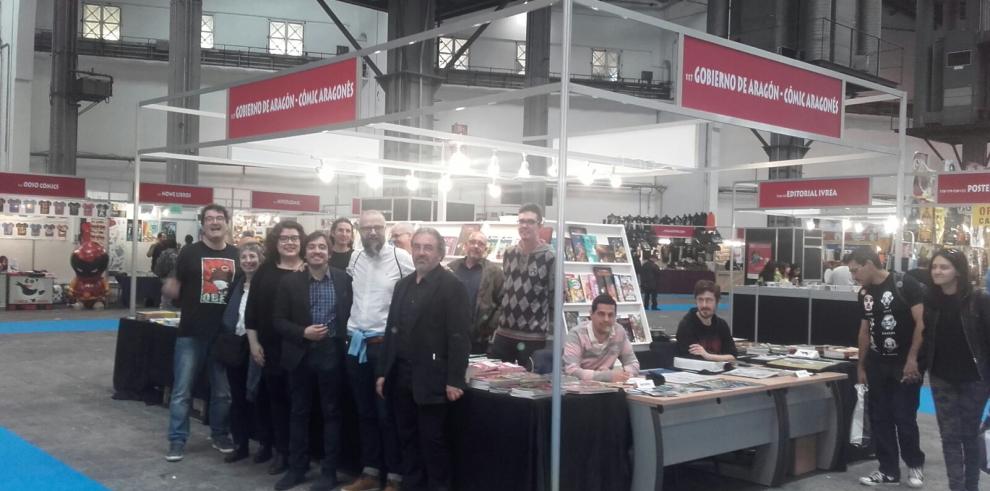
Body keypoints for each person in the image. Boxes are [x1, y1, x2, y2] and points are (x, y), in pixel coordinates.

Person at [376, 227, 471, 491]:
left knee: (433, 442)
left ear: (440, 252)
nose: (421, 252)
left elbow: (459, 337)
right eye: (416, 246)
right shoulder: (402, 285)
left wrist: (455, 379)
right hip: (401, 376)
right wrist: (384, 372)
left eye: (428, 247)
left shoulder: (453, 287)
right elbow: (391, 331)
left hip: (433, 378)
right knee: (406, 438)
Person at [272, 231, 353, 491]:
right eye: (312, 247)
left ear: (330, 253)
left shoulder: (343, 280)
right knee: (298, 412)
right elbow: (278, 321)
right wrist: (302, 332)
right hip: (300, 353)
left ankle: (329, 472)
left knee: (331, 413)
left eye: (322, 247)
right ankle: (297, 468)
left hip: (332, 353)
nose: (317, 251)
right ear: (304, 253)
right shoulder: (290, 283)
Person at [343, 210, 415, 491]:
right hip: (355, 345)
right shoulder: (355, 258)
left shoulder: (401, 258)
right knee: (364, 413)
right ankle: (370, 472)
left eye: (377, 227)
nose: (372, 232)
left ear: (385, 229)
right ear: (359, 230)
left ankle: (395, 477)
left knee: (387, 415)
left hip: (385, 348)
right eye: (366, 228)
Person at [162, 204, 239, 462]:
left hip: (223, 336)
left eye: (219, 218)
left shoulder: (238, 255)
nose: (214, 222)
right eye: (209, 219)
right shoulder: (189, 253)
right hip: (191, 333)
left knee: (222, 393)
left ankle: (219, 434)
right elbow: (175, 284)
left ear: (227, 223)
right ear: (202, 224)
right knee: (182, 391)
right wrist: (170, 289)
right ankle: (176, 439)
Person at [850, 249, 926, 487]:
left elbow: (922, 324)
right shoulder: (864, 293)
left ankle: (914, 465)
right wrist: (861, 366)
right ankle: (888, 470)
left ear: (870, 264)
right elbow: (864, 330)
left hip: (905, 364)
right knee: (880, 417)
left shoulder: (905, 284)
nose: (854, 276)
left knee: (904, 416)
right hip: (877, 364)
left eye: (856, 270)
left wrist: (913, 359)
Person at [923, 249, 990, 491]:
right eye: (934, 267)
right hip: (942, 377)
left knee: (969, 436)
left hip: (975, 379)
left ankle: (971, 486)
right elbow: (927, 337)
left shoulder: (979, 299)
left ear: (958, 272)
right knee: (949, 437)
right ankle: (956, 487)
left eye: (944, 267)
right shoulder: (931, 301)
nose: (937, 272)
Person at [246, 221, 307, 475]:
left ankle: (299, 454)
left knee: (300, 405)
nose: (290, 242)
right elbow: (252, 311)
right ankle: (279, 450)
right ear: (276, 242)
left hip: (301, 348)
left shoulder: (309, 270)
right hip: (270, 347)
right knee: (276, 401)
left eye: (294, 238)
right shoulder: (264, 272)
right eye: (284, 238)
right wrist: (253, 342)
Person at [490, 203, 556, 368]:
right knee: (496, 382)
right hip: (504, 332)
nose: (525, 225)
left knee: (528, 387)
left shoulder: (550, 256)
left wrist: (551, 336)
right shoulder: (509, 253)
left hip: (534, 336)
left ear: (540, 225)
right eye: (521, 221)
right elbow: (506, 290)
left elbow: (555, 298)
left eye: (530, 222)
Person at [220, 242, 264, 463]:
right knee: (237, 398)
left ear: (260, 258)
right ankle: (241, 444)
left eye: (253, 256)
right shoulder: (236, 285)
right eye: (244, 257)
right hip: (236, 345)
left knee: (259, 397)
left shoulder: (267, 286)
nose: (248, 260)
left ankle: (265, 446)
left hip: (258, 346)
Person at [447, 231, 505, 354]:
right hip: (451, 333)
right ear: (466, 245)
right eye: (472, 242)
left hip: (479, 336)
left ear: (485, 249)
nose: (476, 246)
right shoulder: (451, 268)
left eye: (480, 244)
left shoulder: (495, 272)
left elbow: (503, 302)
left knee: (475, 371)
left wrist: (489, 327)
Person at [563, 294, 640, 382]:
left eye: (610, 315)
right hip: (577, 391)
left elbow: (633, 364)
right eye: (601, 314)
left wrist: (623, 374)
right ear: (591, 314)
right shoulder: (576, 334)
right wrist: (606, 376)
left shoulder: (619, 331)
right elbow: (571, 371)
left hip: (607, 389)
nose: (606, 319)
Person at [675, 280, 736, 361]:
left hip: (720, 370)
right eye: (700, 300)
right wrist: (721, 358)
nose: (704, 305)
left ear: (717, 302)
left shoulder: (721, 325)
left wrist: (707, 355)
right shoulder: (686, 326)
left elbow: (733, 356)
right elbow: (694, 360)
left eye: (709, 300)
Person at [153, 237, 180, 308]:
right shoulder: (179, 253)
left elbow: (160, 266)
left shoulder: (165, 253)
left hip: (167, 277)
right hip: (178, 278)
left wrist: (160, 274)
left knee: (166, 300)